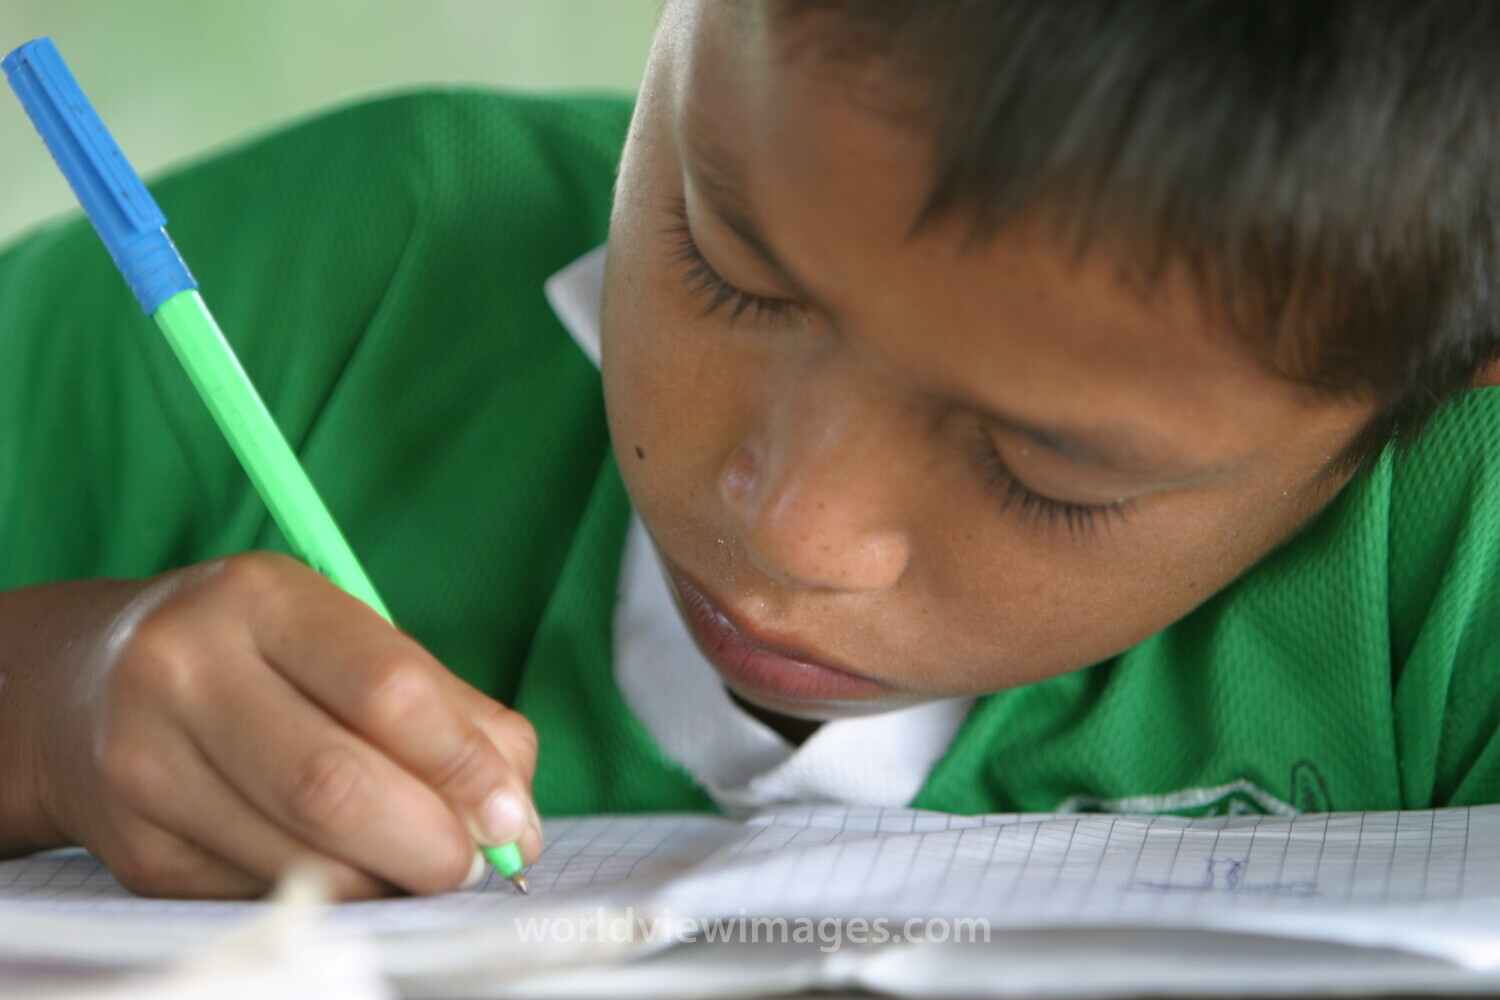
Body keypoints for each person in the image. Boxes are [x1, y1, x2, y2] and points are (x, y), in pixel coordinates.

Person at [1, 0, 1497, 901]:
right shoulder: (328, 281)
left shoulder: (1463, 550)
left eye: (1052, 469)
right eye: (726, 262)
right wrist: (44, 706)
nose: (791, 526)